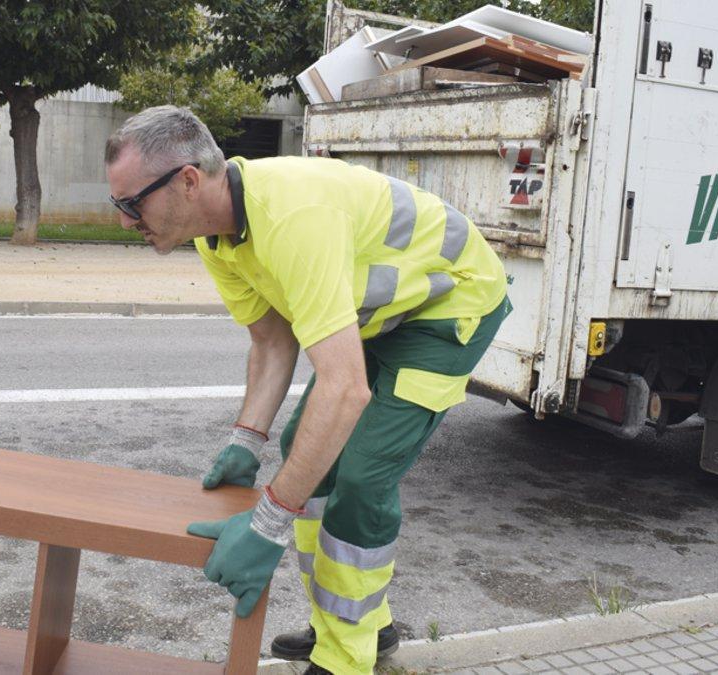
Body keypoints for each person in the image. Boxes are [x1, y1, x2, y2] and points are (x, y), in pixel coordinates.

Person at [104, 106, 510, 675]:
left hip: (450, 305)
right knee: (306, 454)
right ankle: (352, 625)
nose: (125, 221)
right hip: (386, 313)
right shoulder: (217, 238)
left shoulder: (292, 216)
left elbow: (344, 391)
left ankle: (345, 659)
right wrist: (247, 440)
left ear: (188, 181)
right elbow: (272, 341)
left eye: (132, 204)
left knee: (362, 478)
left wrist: (268, 524)